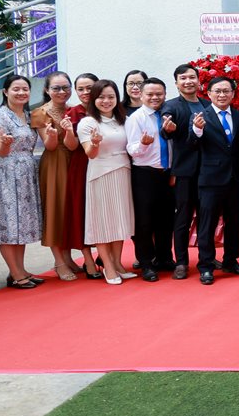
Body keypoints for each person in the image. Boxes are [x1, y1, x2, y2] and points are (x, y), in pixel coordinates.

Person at [189, 76, 239, 285]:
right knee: (207, 225)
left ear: (233, 94)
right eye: (217, 91)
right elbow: (191, 143)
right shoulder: (200, 117)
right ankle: (206, 266)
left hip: (236, 179)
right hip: (211, 180)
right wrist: (197, 130)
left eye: (226, 91)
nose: (222, 95)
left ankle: (231, 261)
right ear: (209, 94)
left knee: (234, 223)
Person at [0, 74, 43, 289]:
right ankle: (17, 273)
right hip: (7, 173)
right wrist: (6, 143)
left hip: (27, 172)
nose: (21, 93)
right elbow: (0, 152)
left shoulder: (29, 116)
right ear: (5, 92)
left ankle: (18, 270)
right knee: (8, 222)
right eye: (16, 89)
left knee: (22, 223)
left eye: (25, 89)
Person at [77, 80, 135, 285]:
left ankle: (117, 263)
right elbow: (90, 154)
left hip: (123, 172)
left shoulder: (124, 120)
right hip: (101, 174)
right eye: (101, 97)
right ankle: (108, 267)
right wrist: (94, 143)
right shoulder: (88, 122)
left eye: (111, 96)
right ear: (93, 99)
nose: (106, 101)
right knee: (103, 222)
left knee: (119, 220)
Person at [161, 64, 210, 279]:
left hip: (208, 171)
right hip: (185, 172)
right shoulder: (171, 106)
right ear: (176, 83)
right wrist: (167, 130)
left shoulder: (208, 104)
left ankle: (206, 258)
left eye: (192, 77)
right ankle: (181, 262)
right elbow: (166, 128)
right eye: (183, 78)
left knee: (206, 218)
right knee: (183, 218)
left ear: (199, 81)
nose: (188, 81)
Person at [31, 72, 81, 281]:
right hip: (54, 163)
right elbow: (50, 146)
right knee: (55, 210)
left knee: (68, 209)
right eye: (56, 88)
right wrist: (52, 135)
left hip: (74, 161)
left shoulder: (73, 110)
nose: (62, 92)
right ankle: (59, 261)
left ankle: (68, 258)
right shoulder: (40, 112)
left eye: (65, 87)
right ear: (47, 90)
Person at [124, 77, 175, 282]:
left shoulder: (168, 114)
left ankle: (164, 258)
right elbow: (132, 149)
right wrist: (144, 144)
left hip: (167, 173)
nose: (155, 97)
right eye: (150, 94)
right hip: (145, 174)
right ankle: (146, 262)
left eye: (159, 94)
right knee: (144, 221)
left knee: (166, 219)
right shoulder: (136, 118)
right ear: (142, 95)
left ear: (165, 94)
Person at [63, 73, 101, 279]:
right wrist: (69, 131)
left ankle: (107, 257)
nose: (86, 92)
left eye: (90, 88)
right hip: (82, 165)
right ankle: (88, 259)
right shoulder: (73, 112)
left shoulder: (106, 107)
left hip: (106, 164)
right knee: (82, 211)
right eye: (81, 89)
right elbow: (71, 146)